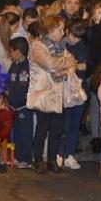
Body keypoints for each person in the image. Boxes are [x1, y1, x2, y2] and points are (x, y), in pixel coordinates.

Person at [27, 15, 76, 174]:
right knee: (42, 128)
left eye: (62, 29)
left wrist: (64, 68)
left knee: (57, 129)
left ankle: (52, 160)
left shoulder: (61, 45)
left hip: (58, 94)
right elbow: (50, 64)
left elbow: (72, 62)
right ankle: (39, 160)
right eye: (59, 29)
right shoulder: (37, 46)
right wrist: (63, 66)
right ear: (49, 30)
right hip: (44, 93)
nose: (62, 32)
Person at [58, 18, 87, 171]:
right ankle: (59, 153)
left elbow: (89, 65)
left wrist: (74, 65)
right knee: (64, 124)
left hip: (79, 91)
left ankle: (69, 154)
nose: (76, 39)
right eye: (73, 36)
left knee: (75, 124)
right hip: (63, 89)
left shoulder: (83, 45)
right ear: (67, 32)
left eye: (79, 36)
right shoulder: (61, 44)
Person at [7, 37, 33, 169]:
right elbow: (8, 82)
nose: (9, 54)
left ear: (18, 52)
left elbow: (31, 86)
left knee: (25, 133)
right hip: (13, 106)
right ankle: (17, 156)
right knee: (15, 132)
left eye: (11, 51)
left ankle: (26, 158)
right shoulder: (13, 66)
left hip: (24, 107)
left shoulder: (29, 67)